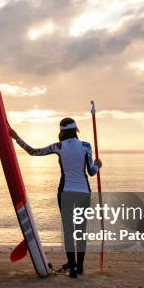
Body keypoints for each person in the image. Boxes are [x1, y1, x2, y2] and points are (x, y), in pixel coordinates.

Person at [9, 118, 102, 278]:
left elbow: (33, 151)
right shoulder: (86, 146)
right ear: (76, 131)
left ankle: (72, 268)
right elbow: (92, 172)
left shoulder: (58, 147)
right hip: (83, 193)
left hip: (65, 192)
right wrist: (98, 164)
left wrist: (16, 137)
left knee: (68, 231)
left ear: (62, 132)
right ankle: (79, 268)